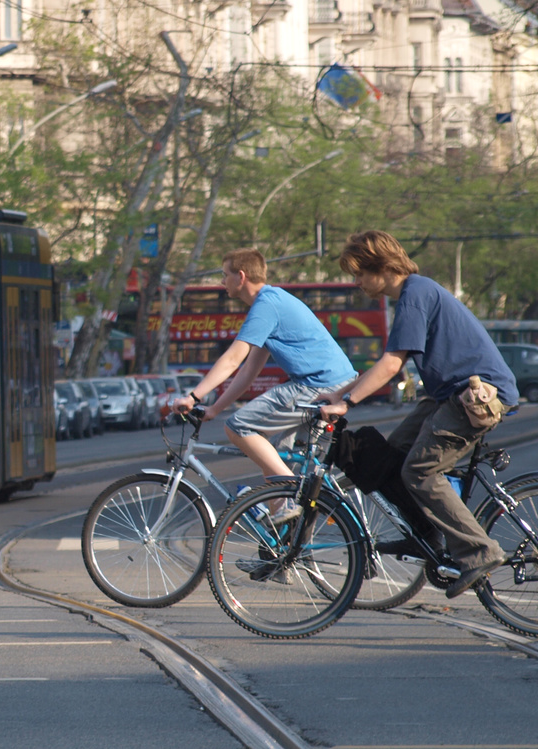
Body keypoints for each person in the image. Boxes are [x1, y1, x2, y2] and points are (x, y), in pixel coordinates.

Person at [316, 230, 519, 599]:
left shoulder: (414, 295)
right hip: (450, 395)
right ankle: (425, 534)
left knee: (420, 470)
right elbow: (390, 360)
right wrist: (340, 392)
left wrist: (348, 404)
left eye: (359, 273)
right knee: (391, 458)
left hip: (475, 397)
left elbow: (393, 363)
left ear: (381, 266)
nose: (356, 282)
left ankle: (479, 550)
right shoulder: (413, 294)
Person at [169, 249, 357, 518]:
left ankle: (294, 494)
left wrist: (193, 397)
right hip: (335, 384)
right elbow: (247, 373)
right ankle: (285, 542)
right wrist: (214, 408)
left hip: (317, 386)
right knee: (278, 456)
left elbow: (233, 358)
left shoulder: (265, 306)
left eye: (225, 275)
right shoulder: (273, 301)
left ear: (241, 276)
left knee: (238, 427)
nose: (222, 282)